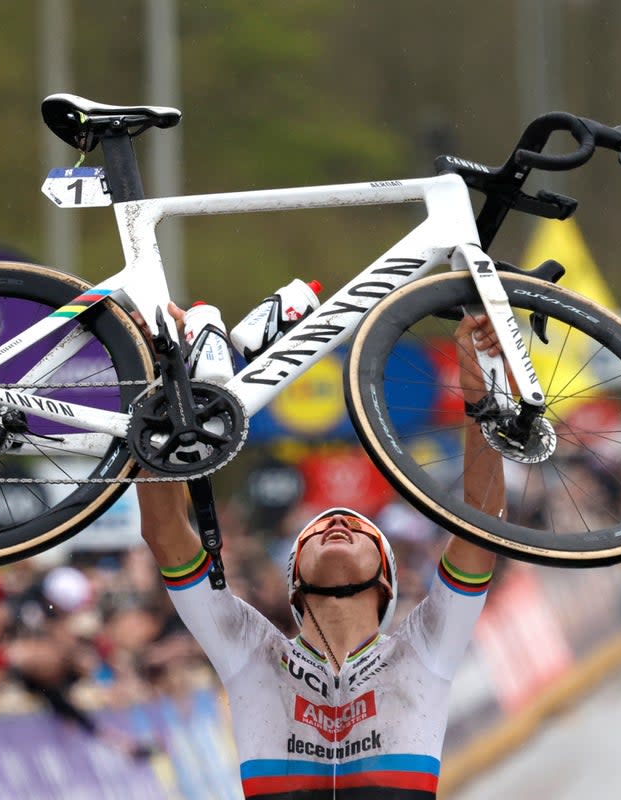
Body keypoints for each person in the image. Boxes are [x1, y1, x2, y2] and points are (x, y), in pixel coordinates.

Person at [137, 308, 507, 799]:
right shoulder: (252, 654)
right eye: (319, 529)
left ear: (385, 581)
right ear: (294, 580)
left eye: (355, 527)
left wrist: (477, 374)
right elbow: (166, 535)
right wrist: (160, 383)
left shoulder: (423, 650)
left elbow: (481, 526)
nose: (336, 520)